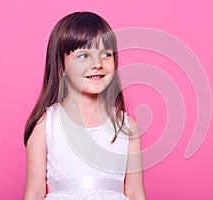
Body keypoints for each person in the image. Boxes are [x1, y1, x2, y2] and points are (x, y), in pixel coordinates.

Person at [23, 11, 146, 200]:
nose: (97, 63)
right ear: (62, 66)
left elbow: (136, 193)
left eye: (106, 54)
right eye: (83, 56)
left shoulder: (127, 128)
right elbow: (35, 192)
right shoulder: (45, 125)